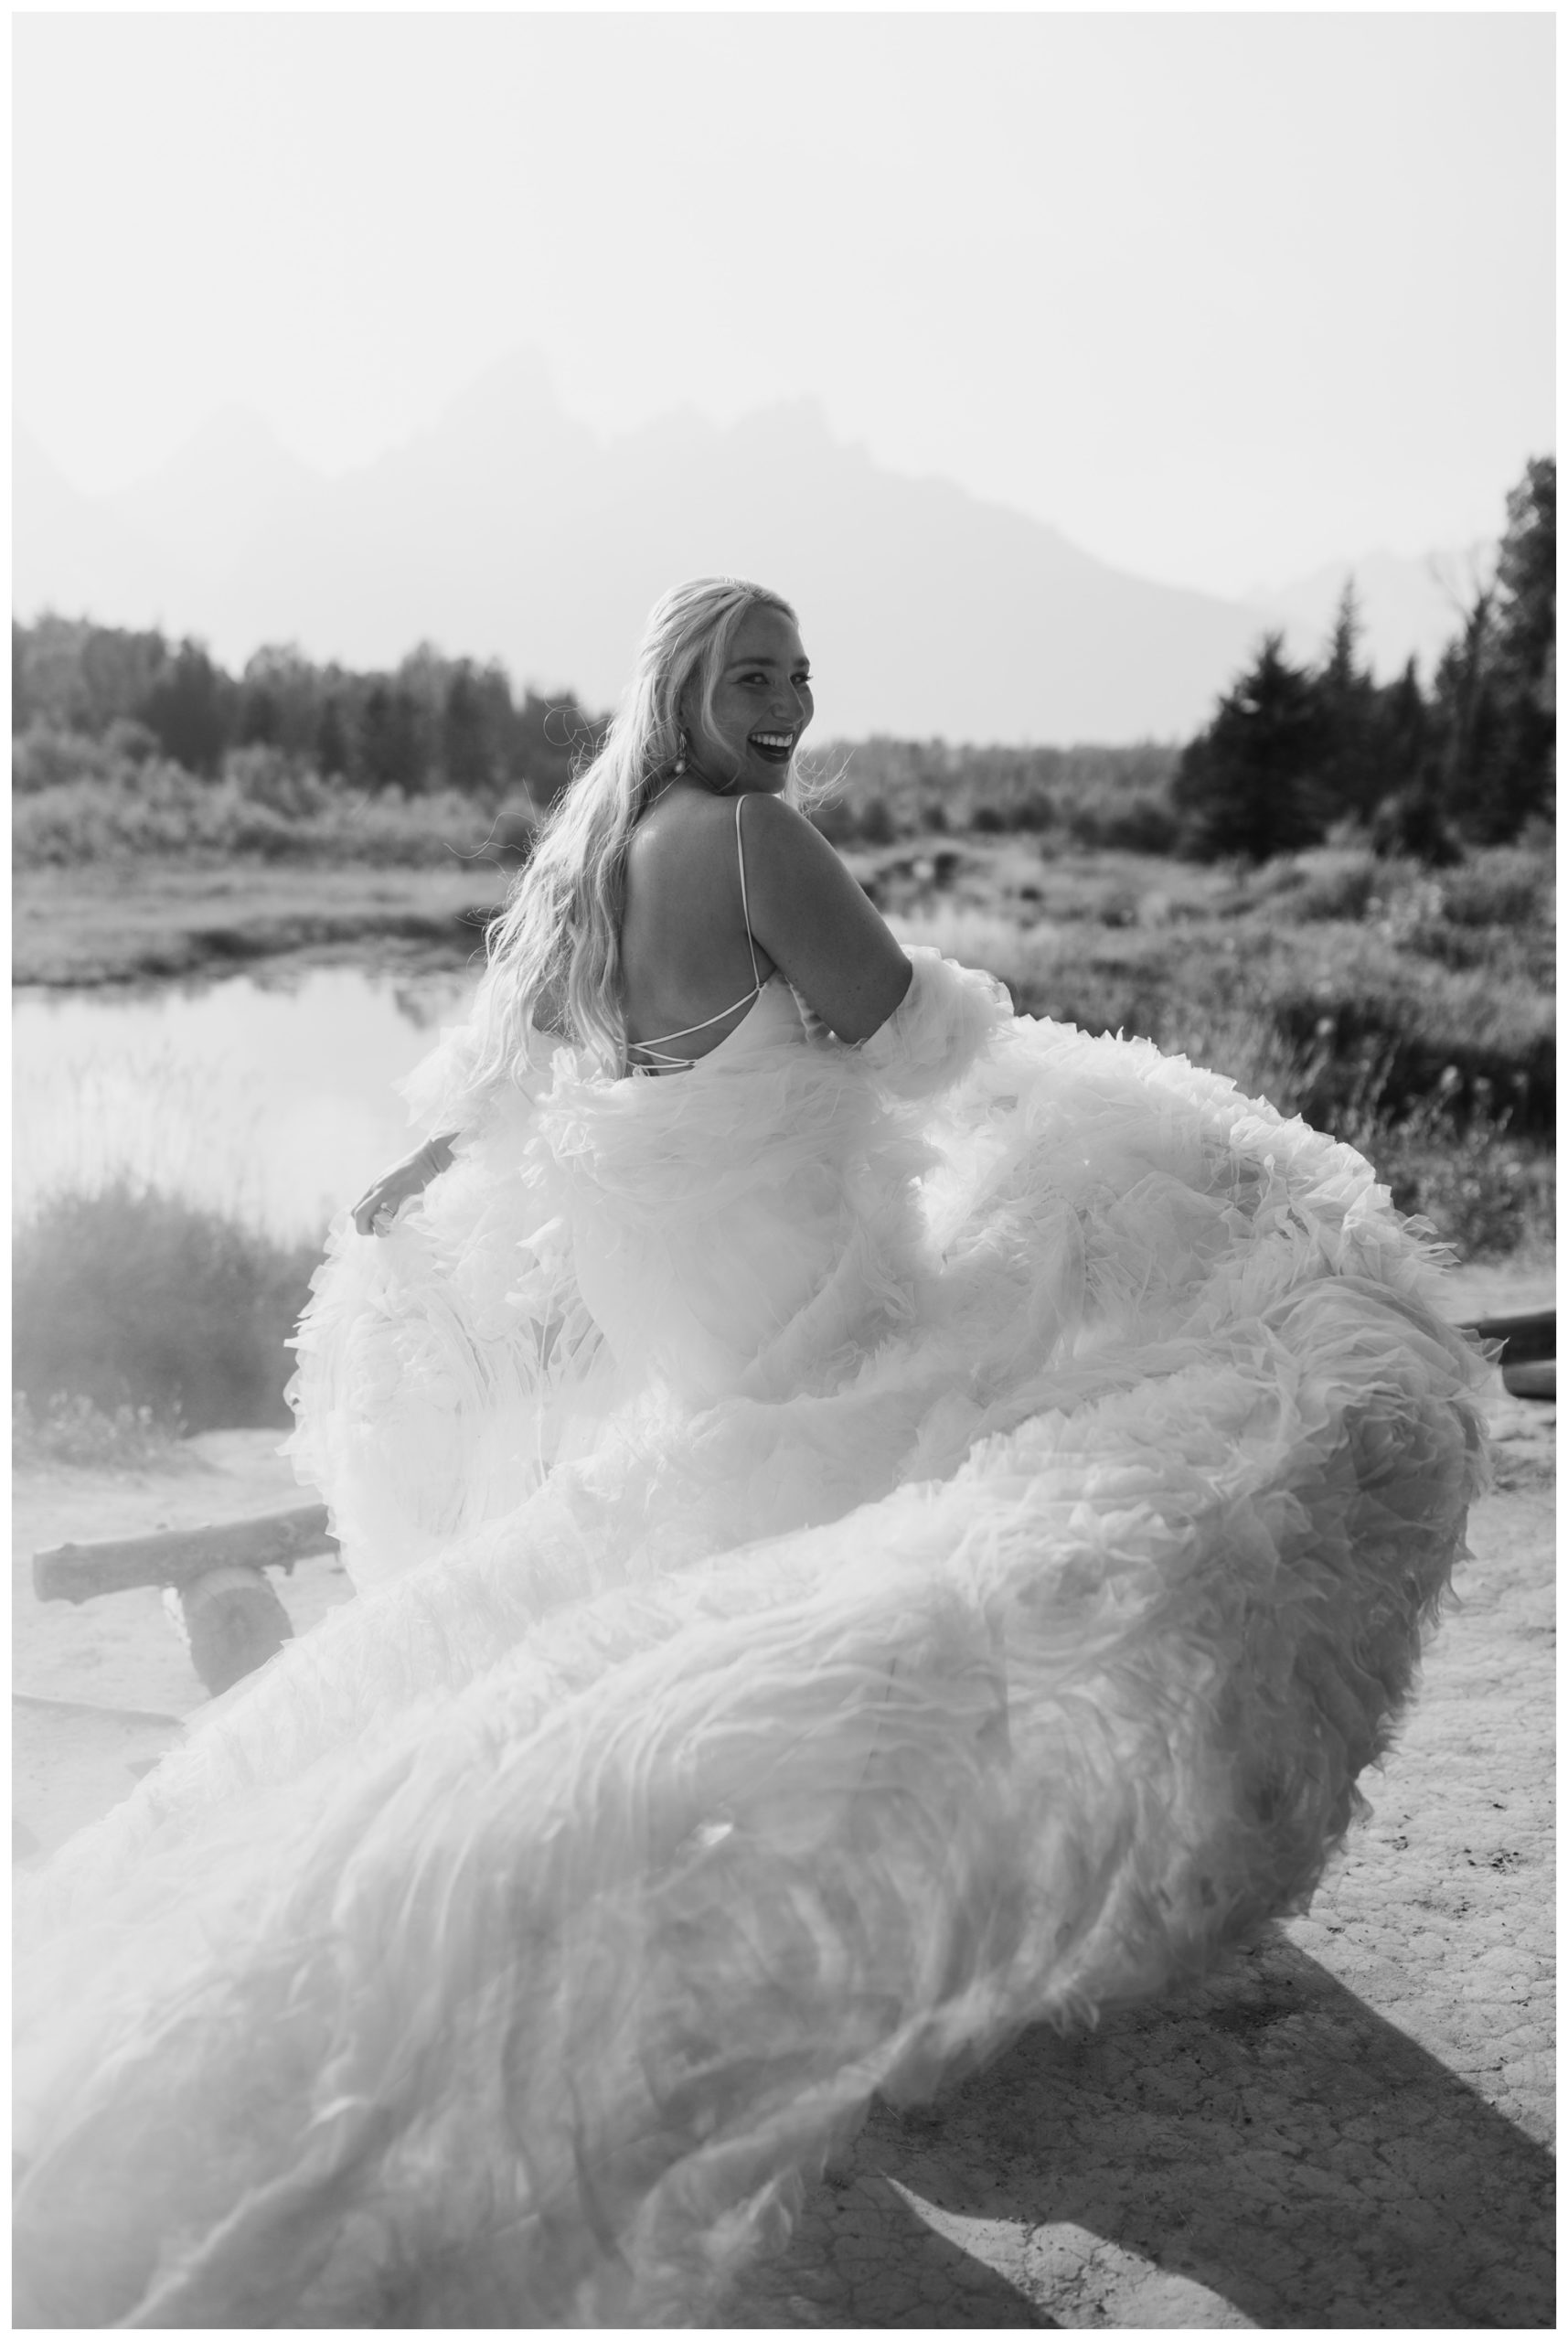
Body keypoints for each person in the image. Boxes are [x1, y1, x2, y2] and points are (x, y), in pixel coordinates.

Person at [14, 578, 1488, 2328]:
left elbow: (534, 1083)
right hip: (811, 1285)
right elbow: (910, 1032)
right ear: (687, 690)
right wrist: (1122, 1102)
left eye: (800, 669)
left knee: (741, 1561)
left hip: (696, 1295)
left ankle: (753, 1898)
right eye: (751, 672)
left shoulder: (607, 851)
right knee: (973, 1472)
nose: (788, 698)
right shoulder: (753, 833)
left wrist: (421, 1187)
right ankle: (876, 1928)